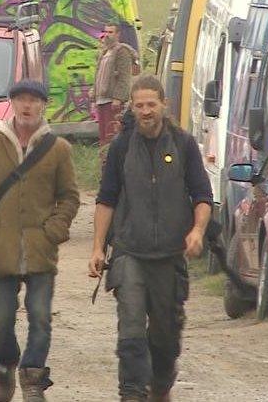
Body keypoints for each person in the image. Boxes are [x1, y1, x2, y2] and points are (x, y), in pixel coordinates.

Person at [89, 74, 213, 402]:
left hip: (170, 256)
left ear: (164, 105)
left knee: (166, 341)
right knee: (130, 333)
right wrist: (98, 247)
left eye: (151, 104)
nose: (146, 111)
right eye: (139, 105)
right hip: (130, 251)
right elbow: (107, 199)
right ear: (132, 107)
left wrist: (197, 231)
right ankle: (131, 394)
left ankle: (160, 387)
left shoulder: (184, 144)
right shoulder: (120, 147)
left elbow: (202, 195)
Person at [0, 79, 80, 402]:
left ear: (43, 105)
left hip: (40, 248)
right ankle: (3, 365)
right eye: (21, 100)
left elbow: (69, 197)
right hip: (0, 247)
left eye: (33, 100)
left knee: (40, 316)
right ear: (12, 103)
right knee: (1, 318)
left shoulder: (58, 149)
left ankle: (32, 377)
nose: (27, 106)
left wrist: (53, 231)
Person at [93, 23, 140, 146]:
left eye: (111, 32)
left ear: (118, 34)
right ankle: (104, 162)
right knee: (103, 137)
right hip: (101, 100)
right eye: (106, 32)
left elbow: (124, 77)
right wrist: (93, 96)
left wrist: (118, 98)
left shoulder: (121, 51)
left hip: (112, 101)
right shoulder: (104, 53)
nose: (107, 35)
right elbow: (98, 76)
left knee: (112, 136)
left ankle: (113, 160)